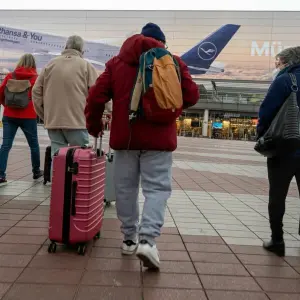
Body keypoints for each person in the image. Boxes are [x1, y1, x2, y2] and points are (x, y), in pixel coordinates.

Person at [85, 23, 199, 269]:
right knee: (157, 189)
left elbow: (96, 97)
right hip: (159, 139)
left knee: (125, 188)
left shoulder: (117, 63)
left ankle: (129, 239)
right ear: (162, 42)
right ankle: (148, 240)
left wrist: (94, 125)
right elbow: (191, 95)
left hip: (125, 139)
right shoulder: (174, 61)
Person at [257, 46, 300, 256]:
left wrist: (262, 135)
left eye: (278, 62)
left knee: (278, 195)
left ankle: (278, 240)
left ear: (287, 62)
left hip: (284, 148)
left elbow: (266, 110)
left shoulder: (285, 80)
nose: (277, 66)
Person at [32, 35, 99, 157]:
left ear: (65, 46)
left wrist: (45, 114)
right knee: (79, 158)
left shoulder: (50, 65)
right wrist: (102, 113)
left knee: (57, 158)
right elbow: (97, 93)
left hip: (54, 120)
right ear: (81, 50)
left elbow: (36, 91)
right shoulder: (86, 66)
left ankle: (56, 176)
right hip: (77, 121)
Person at [0, 54, 43, 185]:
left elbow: (1, 93)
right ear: (33, 64)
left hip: (9, 115)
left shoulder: (10, 76)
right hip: (28, 116)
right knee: (34, 145)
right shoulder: (36, 78)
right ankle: (36, 171)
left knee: (6, 145)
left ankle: (1, 175)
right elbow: (40, 97)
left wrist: (7, 106)